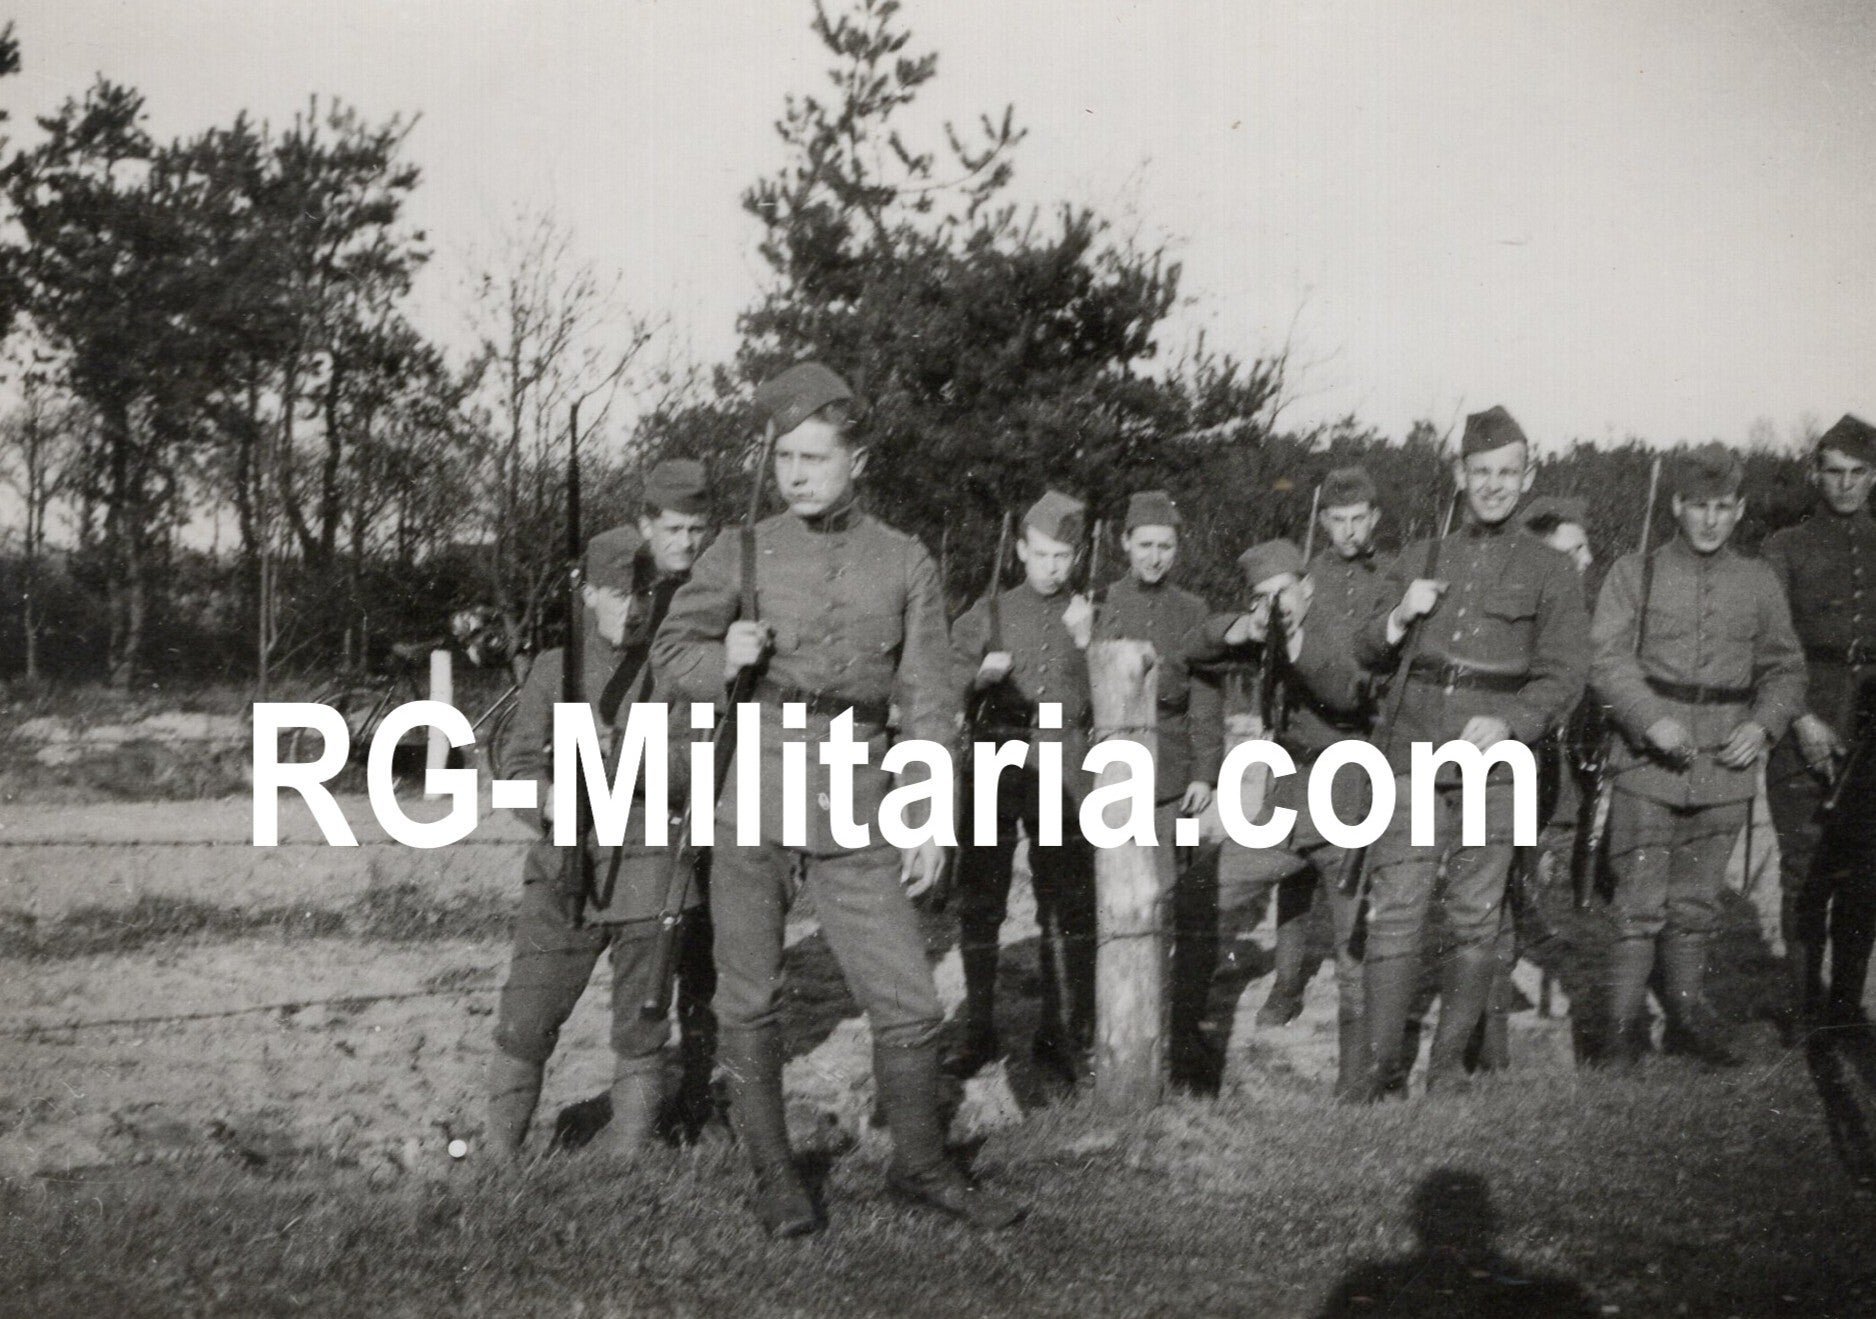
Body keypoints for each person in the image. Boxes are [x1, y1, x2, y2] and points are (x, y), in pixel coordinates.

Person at [651, 362, 1021, 1236]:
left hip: (857, 788)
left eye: (816, 456)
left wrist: (927, 806)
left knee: (910, 999)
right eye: (785, 457)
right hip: (751, 788)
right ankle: (774, 1174)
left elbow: (929, 692)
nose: (798, 472)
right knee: (749, 995)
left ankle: (921, 1166)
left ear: (856, 460)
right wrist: (723, 656)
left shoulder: (903, 559)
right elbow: (673, 654)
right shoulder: (738, 550)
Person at [1353, 406, 1589, 1098]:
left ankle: (1448, 1067)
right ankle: (1375, 1073)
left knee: (1475, 914)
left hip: (1495, 765)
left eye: (1507, 473)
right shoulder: (1419, 556)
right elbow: (1367, 647)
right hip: (1414, 755)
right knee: (1397, 904)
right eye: (1480, 471)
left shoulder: (1551, 569)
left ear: (1528, 476)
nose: (1493, 485)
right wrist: (1400, 615)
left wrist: (1514, 720)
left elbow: (1565, 672)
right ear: (1459, 473)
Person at [486, 460, 714, 1160]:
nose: (633, 610)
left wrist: (619, 756)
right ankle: (497, 1154)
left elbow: (693, 768)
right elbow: (515, 765)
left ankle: (628, 1154)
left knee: (642, 1023)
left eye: (644, 595)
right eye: (618, 595)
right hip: (563, 864)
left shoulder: (676, 665)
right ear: (587, 592)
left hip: (649, 862)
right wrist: (549, 798)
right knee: (526, 1017)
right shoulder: (554, 669)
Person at [1590, 443, 1805, 1067]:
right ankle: (1619, 1034)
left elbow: (1786, 670)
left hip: (1726, 768)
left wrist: (1763, 726)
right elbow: (1607, 661)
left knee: (1695, 906)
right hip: (1647, 767)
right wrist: (1649, 719)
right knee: (1637, 906)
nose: (1711, 520)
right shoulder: (1635, 573)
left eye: (1724, 507)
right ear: (1677, 506)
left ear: (1739, 510)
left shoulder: (1758, 581)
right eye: (1698, 506)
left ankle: (1686, 1019)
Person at [1187, 536, 1379, 1098]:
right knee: (1201, 891)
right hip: (1283, 802)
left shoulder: (1339, 629)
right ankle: (1183, 1042)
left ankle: (1356, 1083)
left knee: (1352, 947)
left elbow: (1346, 693)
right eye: (1263, 596)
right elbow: (1191, 647)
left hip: (1344, 800)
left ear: (1309, 587)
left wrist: (1291, 642)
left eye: (1284, 592)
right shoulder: (1264, 631)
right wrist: (1240, 627)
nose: (1278, 604)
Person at [948, 490, 1098, 1085]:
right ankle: (979, 1028)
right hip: (993, 757)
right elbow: (938, 679)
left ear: (1078, 557)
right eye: (1041, 554)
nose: (1052, 567)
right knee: (981, 900)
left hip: (1061, 762)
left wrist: (1089, 645)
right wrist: (977, 678)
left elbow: (1111, 695)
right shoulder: (985, 613)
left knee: (1063, 899)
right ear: (1019, 551)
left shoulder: (1088, 615)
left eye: (1064, 556)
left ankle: (1058, 1032)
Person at [1763, 414, 1876, 1041]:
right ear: (1815, 475)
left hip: (1871, 726)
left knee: (1865, 871)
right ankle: (1806, 1010)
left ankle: (1846, 1007)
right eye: (1833, 472)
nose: (1845, 485)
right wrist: (1800, 717)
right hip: (1802, 719)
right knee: (1804, 867)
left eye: (1858, 473)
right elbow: (1771, 648)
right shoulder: (1784, 549)